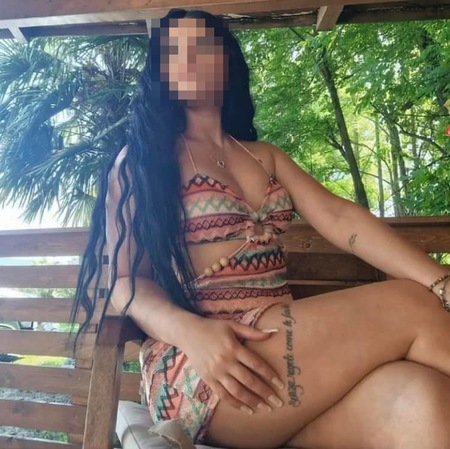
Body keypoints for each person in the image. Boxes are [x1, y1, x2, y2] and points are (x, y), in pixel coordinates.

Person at [73, 7, 450, 449]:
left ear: (227, 62)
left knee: (423, 400)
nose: (188, 59)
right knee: (411, 302)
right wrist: (191, 332)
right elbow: (124, 282)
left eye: (202, 47)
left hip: (281, 359)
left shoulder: (263, 155)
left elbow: (340, 218)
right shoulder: (143, 161)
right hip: (206, 363)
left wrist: (440, 280)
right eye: (174, 52)